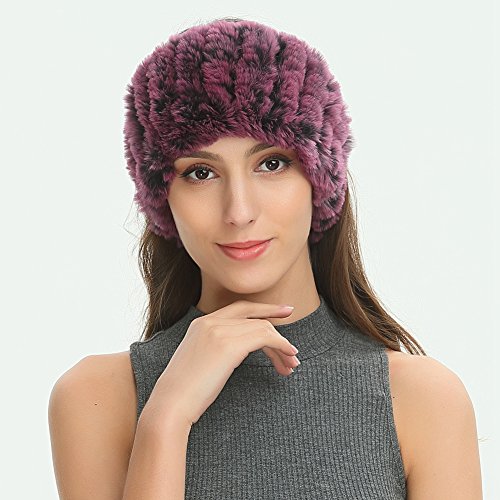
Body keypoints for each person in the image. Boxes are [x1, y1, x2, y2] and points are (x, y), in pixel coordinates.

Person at [48, 17, 483, 500]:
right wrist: (166, 417)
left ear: (320, 179)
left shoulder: (421, 400)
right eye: (200, 173)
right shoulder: (98, 398)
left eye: (271, 164)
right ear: (161, 198)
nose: (239, 212)